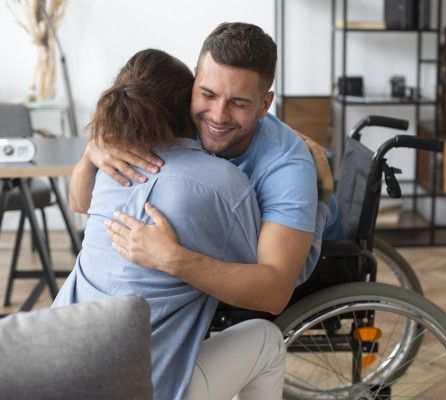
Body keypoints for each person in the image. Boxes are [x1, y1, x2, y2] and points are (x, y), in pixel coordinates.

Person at [54, 49, 286, 400]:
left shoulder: (107, 166)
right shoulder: (223, 184)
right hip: (141, 388)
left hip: (54, 369)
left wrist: (91, 151)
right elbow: (256, 284)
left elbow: (78, 203)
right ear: (187, 105)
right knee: (267, 340)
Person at [69, 22, 342, 315]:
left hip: (298, 255)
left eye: (238, 103)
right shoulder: (174, 119)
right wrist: (93, 151)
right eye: (208, 95)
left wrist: (171, 259)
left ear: (265, 105)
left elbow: (275, 292)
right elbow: (80, 203)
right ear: (193, 82)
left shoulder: (288, 169)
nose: (218, 116)